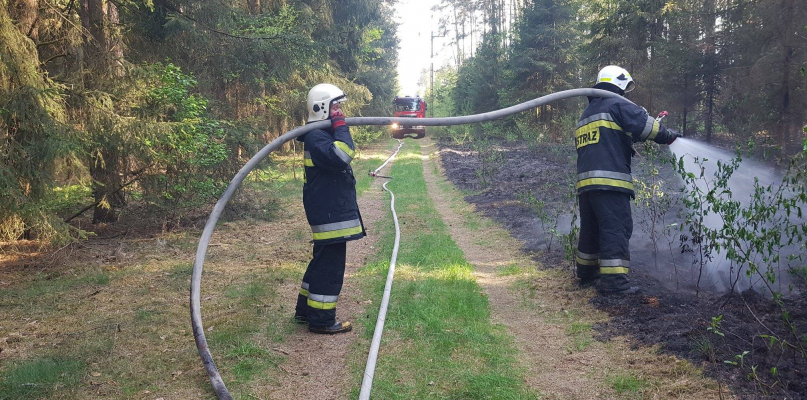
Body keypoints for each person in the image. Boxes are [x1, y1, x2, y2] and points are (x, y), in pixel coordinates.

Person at [574, 65, 682, 294]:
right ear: (620, 82)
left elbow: (609, 140)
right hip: (611, 184)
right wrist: (669, 136)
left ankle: (586, 274)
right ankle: (614, 284)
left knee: (591, 229)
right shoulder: (617, 103)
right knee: (616, 229)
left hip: (586, 185)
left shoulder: (587, 113)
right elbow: (647, 127)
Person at [294, 83, 365, 334]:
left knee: (321, 261)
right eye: (335, 106)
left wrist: (336, 125)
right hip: (328, 213)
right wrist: (341, 126)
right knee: (329, 268)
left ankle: (305, 310)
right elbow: (343, 155)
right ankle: (322, 320)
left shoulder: (319, 133)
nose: (339, 111)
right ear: (322, 107)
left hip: (328, 210)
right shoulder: (317, 136)